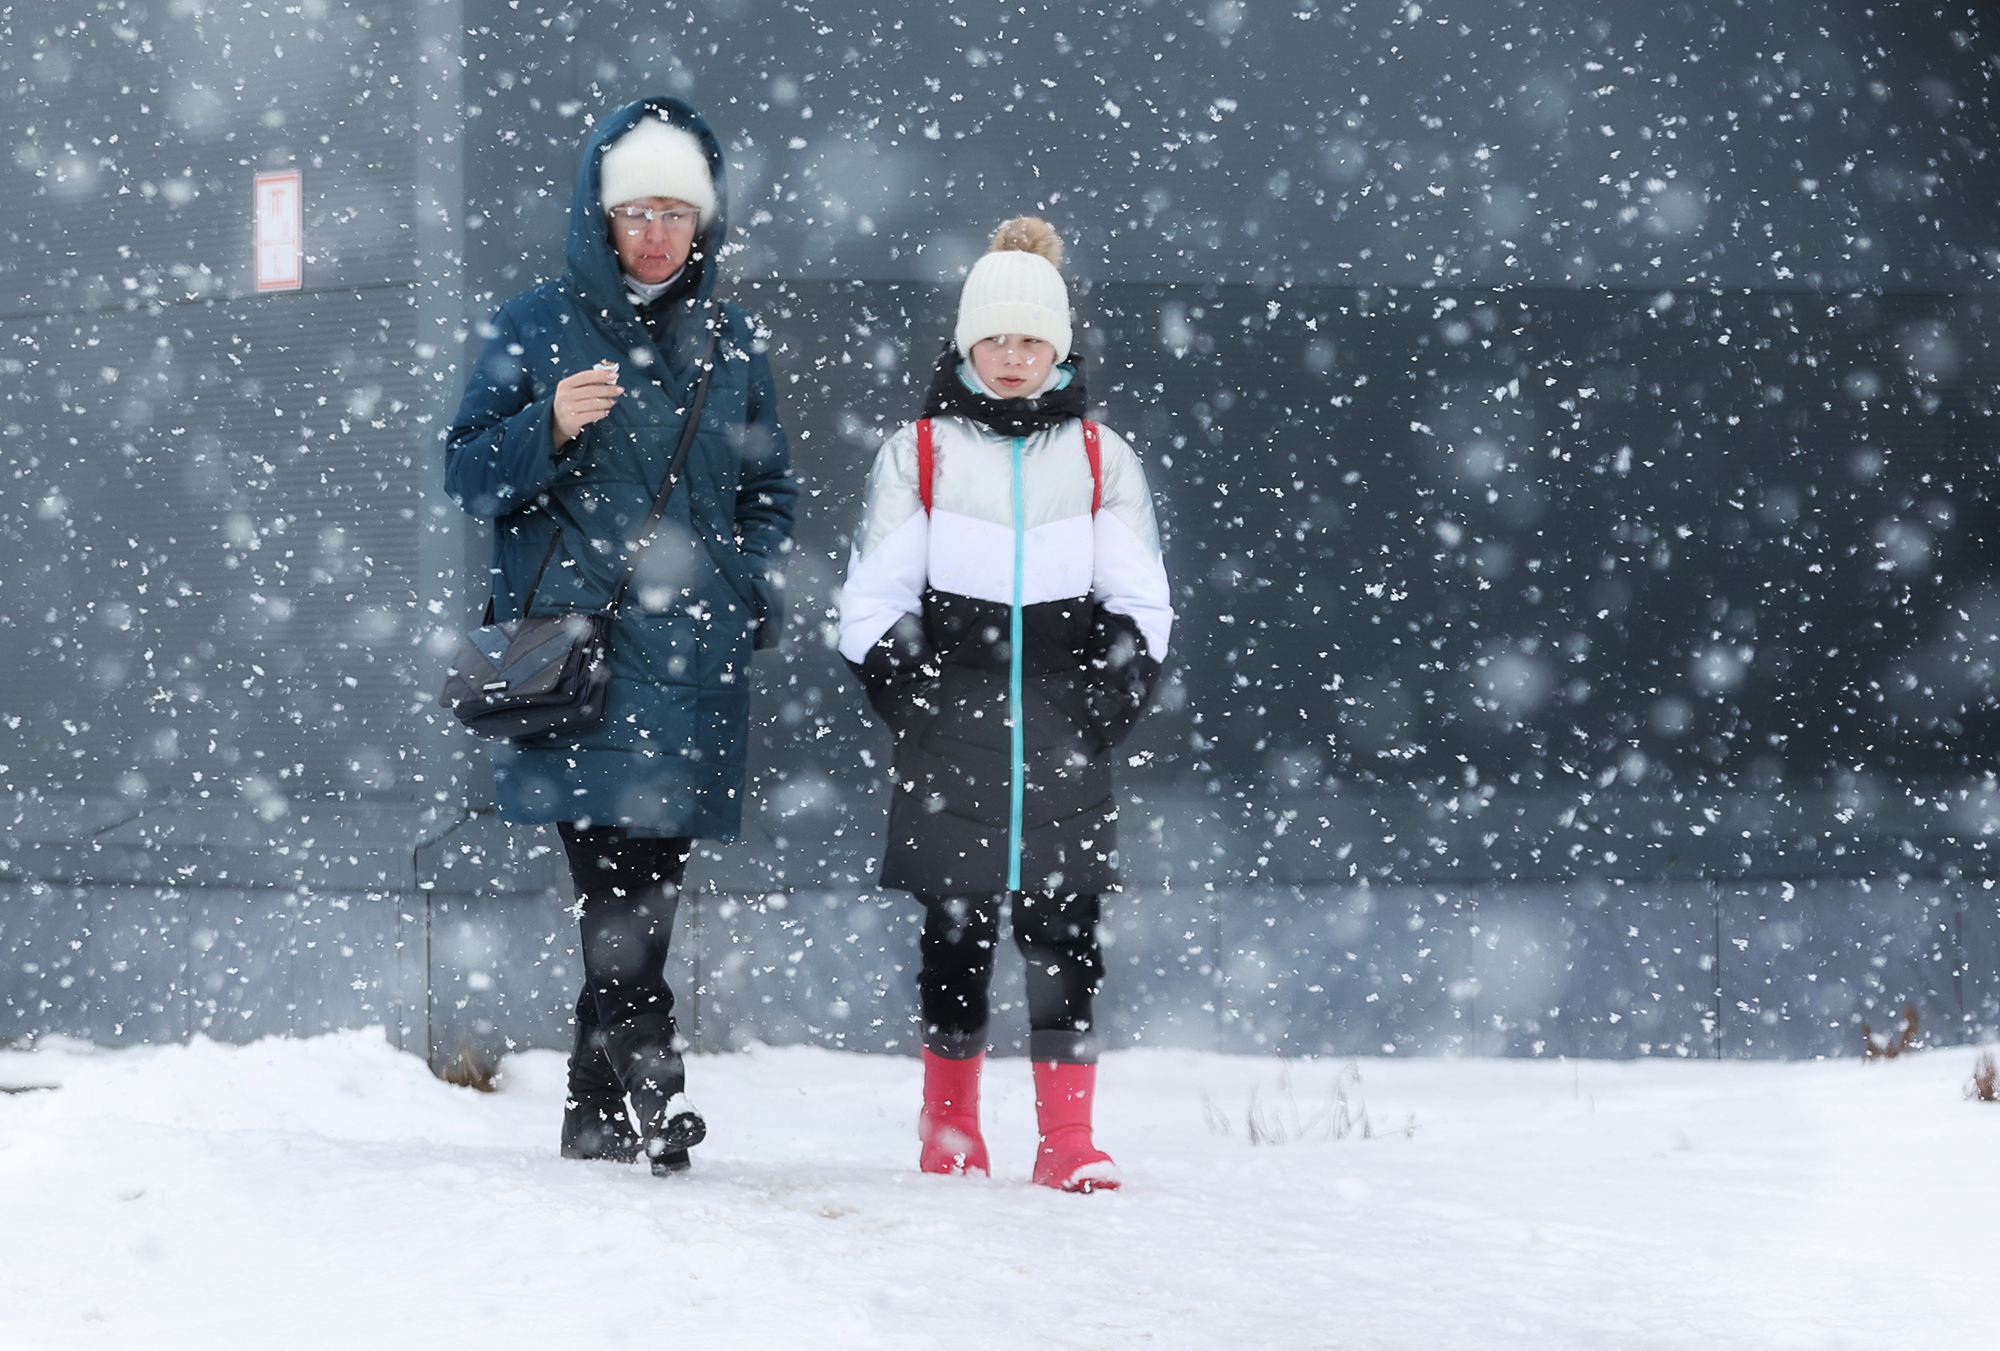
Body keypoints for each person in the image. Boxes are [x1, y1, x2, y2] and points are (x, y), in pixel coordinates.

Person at [444, 98, 796, 1176]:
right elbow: (466, 473)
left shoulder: (732, 342)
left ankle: (589, 1110)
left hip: (689, 658)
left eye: (675, 213)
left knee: (650, 883)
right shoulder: (533, 323)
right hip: (579, 661)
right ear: (602, 215)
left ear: (702, 222)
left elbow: (769, 491)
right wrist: (545, 425)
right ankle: (653, 1069)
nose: (655, 232)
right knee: (615, 883)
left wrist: (745, 582)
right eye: (636, 210)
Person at [837, 218, 1173, 1191]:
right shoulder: (921, 456)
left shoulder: (1102, 460)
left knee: (1065, 938)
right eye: (996, 339)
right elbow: (870, 605)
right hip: (953, 733)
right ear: (965, 344)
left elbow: (1142, 606)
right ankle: (950, 1129)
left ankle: (1067, 1138)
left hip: (1065, 735)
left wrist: (1102, 705)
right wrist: (919, 702)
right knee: (955, 933)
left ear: (1059, 346)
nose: (1014, 357)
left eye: (1032, 340)